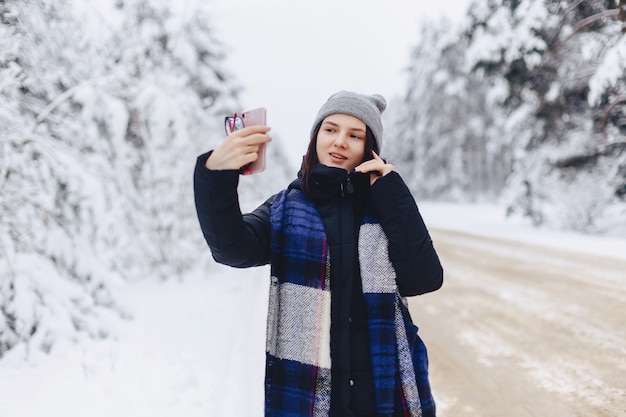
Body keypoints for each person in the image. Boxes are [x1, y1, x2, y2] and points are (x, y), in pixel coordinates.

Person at [194, 91, 444, 417]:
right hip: (309, 393)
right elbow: (231, 249)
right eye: (331, 129)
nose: (340, 141)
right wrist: (215, 176)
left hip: (383, 389)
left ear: (370, 149)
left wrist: (392, 192)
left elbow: (424, 278)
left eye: (355, 135)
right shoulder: (285, 208)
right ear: (315, 138)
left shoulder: (384, 205)